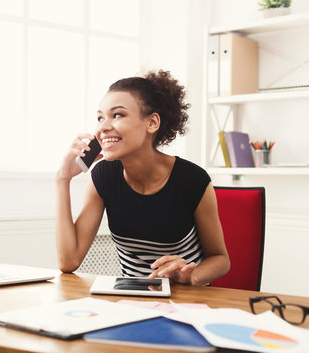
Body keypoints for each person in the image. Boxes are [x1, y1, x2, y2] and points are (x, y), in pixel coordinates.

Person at [55, 70, 230, 286]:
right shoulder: (103, 177)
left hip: (188, 298)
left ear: (152, 123)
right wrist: (62, 179)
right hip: (131, 298)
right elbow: (69, 261)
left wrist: (190, 276)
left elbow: (220, 259)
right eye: (100, 117)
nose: (103, 127)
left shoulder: (192, 179)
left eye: (117, 115)